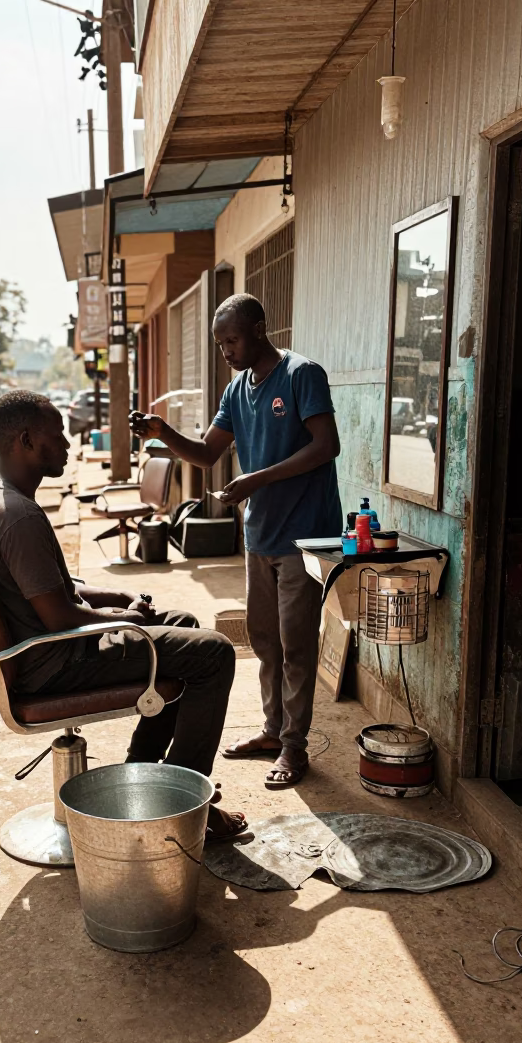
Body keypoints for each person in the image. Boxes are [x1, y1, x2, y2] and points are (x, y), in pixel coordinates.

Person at [0, 390, 247, 840]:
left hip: (50, 652)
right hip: (57, 662)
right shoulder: (17, 517)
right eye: (56, 435)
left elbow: (59, 589)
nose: (68, 445)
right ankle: (188, 807)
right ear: (25, 440)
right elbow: (58, 616)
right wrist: (123, 619)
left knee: (184, 625)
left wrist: (119, 594)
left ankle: (145, 775)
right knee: (213, 653)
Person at [130, 293, 341, 788]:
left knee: (296, 646)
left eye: (232, 340)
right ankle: (272, 731)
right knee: (264, 641)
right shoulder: (236, 389)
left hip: (304, 535)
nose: (225, 350)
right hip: (261, 532)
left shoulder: (301, 374)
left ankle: (295, 746)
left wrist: (256, 481)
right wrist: (163, 433)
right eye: (219, 343)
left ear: (260, 330)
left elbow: (326, 446)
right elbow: (206, 453)